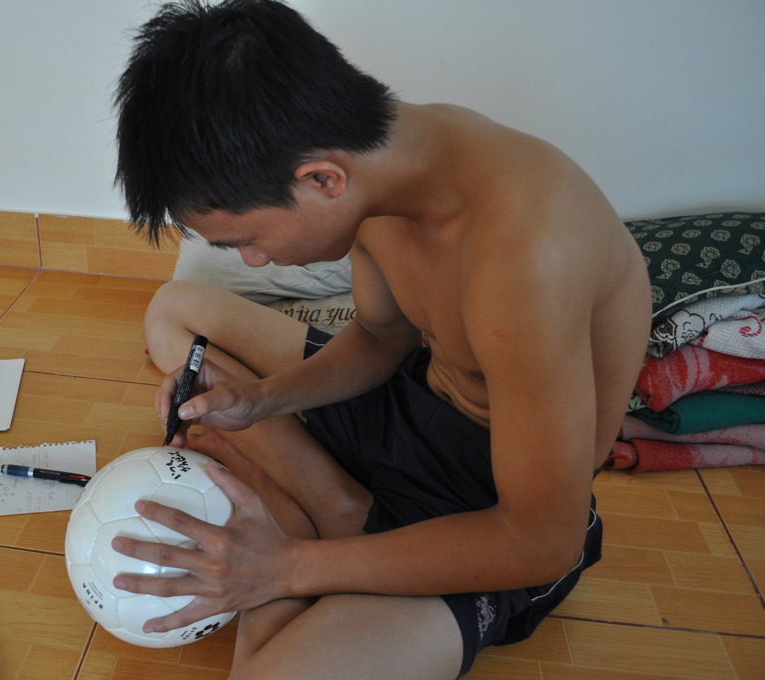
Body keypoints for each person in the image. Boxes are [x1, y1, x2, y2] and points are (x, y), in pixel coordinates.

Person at [110, 1, 651, 678]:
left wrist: (285, 570)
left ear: (321, 180)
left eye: (247, 239)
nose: (253, 261)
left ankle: (300, 524)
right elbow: (378, 335)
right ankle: (335, 504)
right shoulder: (386, 164)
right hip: (409, 405)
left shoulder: (526, 254)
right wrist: (260, 400)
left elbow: (543, 540)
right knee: (175, 310)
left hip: (487, 509)